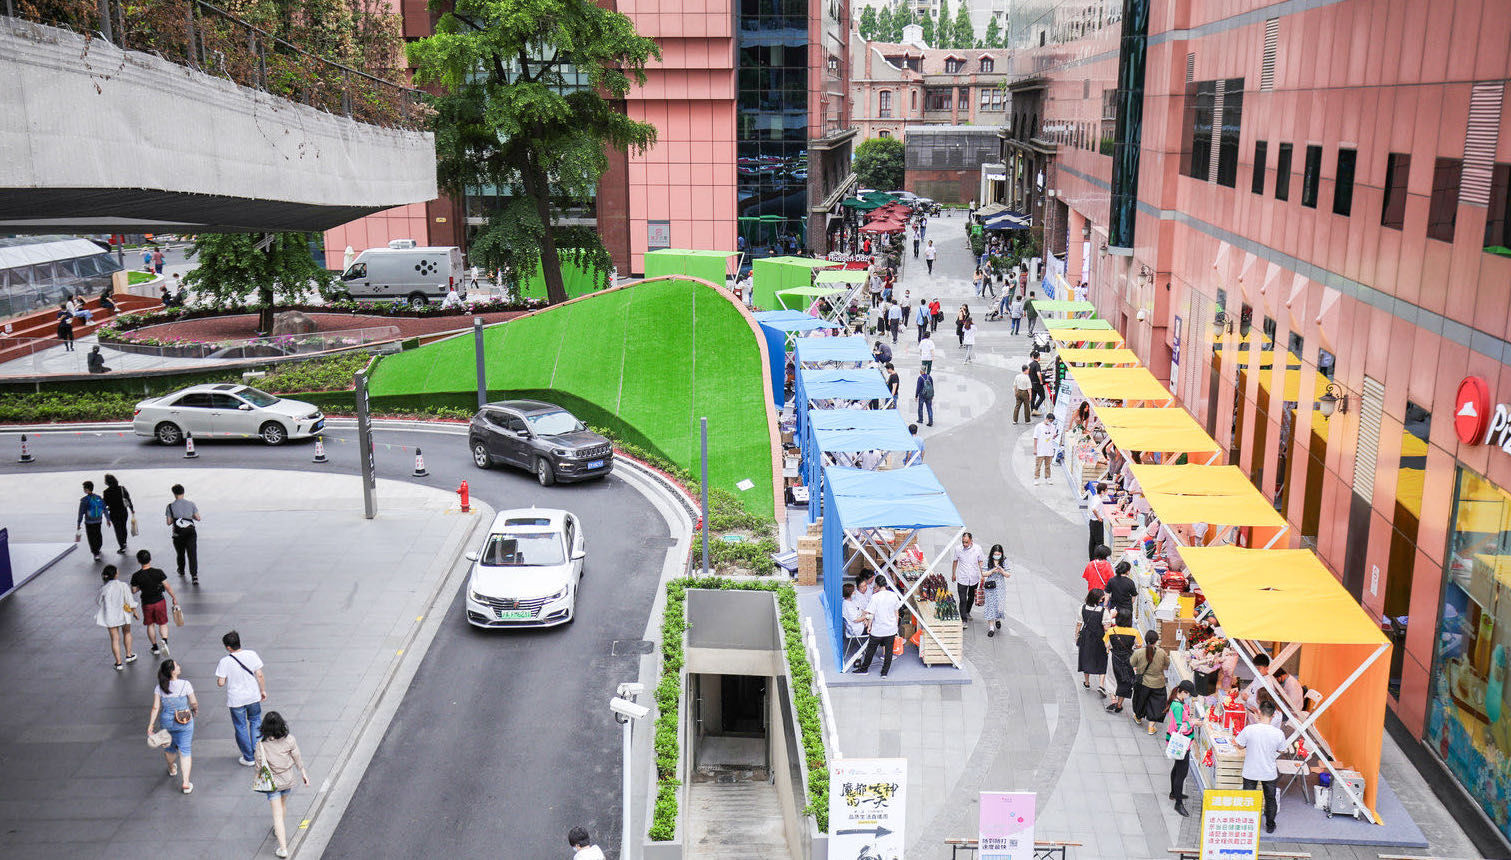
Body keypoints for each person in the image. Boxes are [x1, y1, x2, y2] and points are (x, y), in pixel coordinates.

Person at [255, 711, 311, 858]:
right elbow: (297, 756)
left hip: (272, 784)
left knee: (276, 815)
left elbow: (259, 767)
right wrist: (303, 772)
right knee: (283, 805)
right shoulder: (289, 740)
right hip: (287, 780)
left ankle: (283, 848)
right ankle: (278, 830)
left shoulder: (261, 745)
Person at [1235, 699, 1288, 833]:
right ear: (1274, 714)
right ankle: (1270, 825)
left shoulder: (1249, 729)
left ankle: (1248, 824)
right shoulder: (1278, 733)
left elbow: (1240, 745)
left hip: (1250, 770)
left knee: (1248, 799)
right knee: (1270, 799)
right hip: (1268, 772)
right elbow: (1282, 750)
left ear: (1258, 712)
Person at [217, 630, 268, 766]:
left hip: (236, 700)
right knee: (256, 721)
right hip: (252, 696)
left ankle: (248, 758)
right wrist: (262, 690)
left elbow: (221, 683)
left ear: (228, 647)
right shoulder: (252, 654)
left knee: (240, 727)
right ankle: (259, 754)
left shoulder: (225, 661)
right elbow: (260, 674)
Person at [147, 658, 197, 794]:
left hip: (167, 721)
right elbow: (193, 702)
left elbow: (155, 707)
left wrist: (151, 725)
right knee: (185, 750)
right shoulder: (186, 684)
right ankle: (186, 782)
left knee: (170, 748)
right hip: (185, 720)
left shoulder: (160, 687)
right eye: (176, 666)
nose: (179, 666)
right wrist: (195, 709)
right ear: (172, 672)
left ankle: (171, 768)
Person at [130, 548, 177, 656]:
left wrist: (141, 587)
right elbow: (167, 586)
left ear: (138, 561)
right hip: (160, 601)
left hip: (147, 603)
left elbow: (133, 590)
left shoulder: (136, 576)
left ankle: (155, 647)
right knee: (162, 623)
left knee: (150, 624)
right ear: (150, 559)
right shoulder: (158, 572)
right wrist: (174, 597)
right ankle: (164, 641)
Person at [854, 575, 902, 677]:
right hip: (891, 629)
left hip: (878, 629)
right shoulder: (893, 595)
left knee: (870, 650)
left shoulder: (875, 597)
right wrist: (895, 626)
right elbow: (896, 613)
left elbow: (871, 613)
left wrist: (870, 625)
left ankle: (864, 669)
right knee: (889, 651)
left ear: (878, 585)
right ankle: (884, 673)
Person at [95, 564, 138, 670]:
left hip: (110, 615)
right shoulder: (123, 585)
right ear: (116, 574)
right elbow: (129, 600)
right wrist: (134, 611)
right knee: (127, 633)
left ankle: (118, 663)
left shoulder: (104, 588)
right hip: (124, 614)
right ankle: (129, 655)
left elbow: (98, 601)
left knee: (115, 639)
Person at [1131, 630, 1171, 733]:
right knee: (1156, 705)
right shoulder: (1161, 652)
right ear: (1156, 641)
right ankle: (1151, 727)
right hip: (1158, 683)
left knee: (1141, 701)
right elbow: (1167, 664)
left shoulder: (1139, 652)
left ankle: (1138, 717)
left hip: (1143, 682)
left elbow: (1132, 663)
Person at [1167, 680, 1197, 816]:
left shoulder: (1177, 702)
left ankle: (1174, 793)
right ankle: (1178, 803)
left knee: (1177, 768)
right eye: (1188, 694)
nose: (1189, 697)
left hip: (1176, 742)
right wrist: (1193, 723)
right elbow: (1181, 728)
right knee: (1181, 773)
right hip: (1182, 744)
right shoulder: (1178, 706)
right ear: (1183, 692)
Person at [166, 483, 201, 584]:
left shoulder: (170, 506)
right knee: (192, 553)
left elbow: (168, 522)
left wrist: (177, 518)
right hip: (190, 532)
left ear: (174, 493)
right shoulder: (191, 504)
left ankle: (181, 570)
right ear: (183, 492)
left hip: (178, 534)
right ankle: (194, 576)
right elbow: (198, 518)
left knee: (180, 553)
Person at [1104, 609, 1138, 713]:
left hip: (1113, 657)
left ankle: (1113, 699)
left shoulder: (1111, 631)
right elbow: (1138, 645)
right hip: (1128, 659)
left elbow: (1106, 645)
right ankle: (1119, 704)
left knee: (1111, 679)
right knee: (1125, 681)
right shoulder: (1134, 632)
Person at [1076, 588, 1108, 690]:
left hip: (1086, 636)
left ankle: (1087, 682)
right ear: (1098, 599)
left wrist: (1076, 637)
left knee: (1086, 657)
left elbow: (1078, 624)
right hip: (1099, 637)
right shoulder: (1103, 611)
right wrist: (1108, 643)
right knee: (1102, 659)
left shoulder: (1082, 608)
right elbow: (1106, 629)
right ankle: (1101, 684)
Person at [951, 532, 985, 626]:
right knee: (962, 599)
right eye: (963, 542)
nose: (965, 544)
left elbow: (980, 562)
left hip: (974, 577)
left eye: (966, 542)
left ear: (971, 541)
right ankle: (963, 619)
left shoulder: (977, 549)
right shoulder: (958, 549)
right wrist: (953, 573)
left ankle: (967, 611)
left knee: (971, 597)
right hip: (962, 577)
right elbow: (955, 561)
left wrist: (983, 575)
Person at [76, 480, 111, 561]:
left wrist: (78, 523)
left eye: (84, 488)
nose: (84, 490)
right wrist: (108, 519)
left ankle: (95, 553)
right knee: (98, 535)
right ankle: (98, 548)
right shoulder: (98, 498)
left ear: (87, 489)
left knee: (91, 538)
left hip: (89, 522)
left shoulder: (84, 500)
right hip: (98, 520)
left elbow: (81, 512)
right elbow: (105, 509)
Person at [102, 473, 134, 554]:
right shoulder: (122, 489)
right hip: (123, 512)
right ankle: (124, 542)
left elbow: (105, 503)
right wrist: (132, 509)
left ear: (107, 482)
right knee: (123, 527)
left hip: (113, 513)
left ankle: (121, 546)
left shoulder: (106, 492)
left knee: (118, 529)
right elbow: (128, 499)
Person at [982, 544, 1009, 636]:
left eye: (998, 554)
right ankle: (991, 628)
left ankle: (997, 619)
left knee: (999, 606)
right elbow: (984, 573)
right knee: (990, 606)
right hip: (990, 587)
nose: (997, 555)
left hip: (1000, 587)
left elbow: (1008, 574)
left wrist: (1002, 571)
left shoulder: (1004, 561)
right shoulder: (987, 560)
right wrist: (992, 570)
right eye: (995, 554)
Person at [1032, 413, 1058, 485]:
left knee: (1048, 466)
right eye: (1050, 420)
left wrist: (1054, 436)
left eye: (1052, 421)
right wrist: (1035, 449)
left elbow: (1052, 436)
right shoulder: (1039, 426)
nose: (1050, 422)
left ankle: (1048, 478)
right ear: (1046, 419)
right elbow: (1035, 438)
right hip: (1040, 450)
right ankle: (1036, 478)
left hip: (1049, 450)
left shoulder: (1052, 427)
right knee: (1038, 465)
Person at [842, 582, 866, 657]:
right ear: (850, 593)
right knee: (874, 627)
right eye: (853, 591)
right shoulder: (847, 605)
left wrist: (864, 617)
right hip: (855, 628)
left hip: (860, 623)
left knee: (870, 623)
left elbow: (861, 610)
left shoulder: (852, 601)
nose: (855, 592)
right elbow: (855, 620)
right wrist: (866, 617)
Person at [1087, 482, 1107, 560]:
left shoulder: (1095, 497)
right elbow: (1094, 509)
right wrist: (1099, 517)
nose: (1106, 492)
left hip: (1092, 521)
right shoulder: (1098, 500)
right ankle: (1097, 559)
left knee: (1092, 541)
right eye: (1106, 490)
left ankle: (1092, 558)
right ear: (1102, 491)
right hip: (1096, 522)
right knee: (1099, 542)